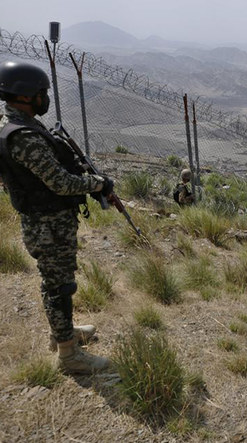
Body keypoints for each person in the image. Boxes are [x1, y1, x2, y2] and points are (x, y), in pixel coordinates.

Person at [0, 61, 113, 374]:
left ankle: (62, 334)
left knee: (57, 283)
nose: (44, 98)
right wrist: (98, 183)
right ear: (25, 96)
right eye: (41, 93)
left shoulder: (17, 128)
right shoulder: (23, 137)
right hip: (47, 224)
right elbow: (60, 183)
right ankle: (68, 355)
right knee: (59, 287)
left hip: (47, 221)